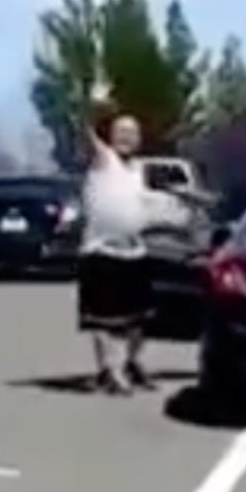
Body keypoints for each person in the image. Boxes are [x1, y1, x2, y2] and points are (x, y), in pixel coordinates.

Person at [78, 111, 155, 394]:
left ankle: (129, 364)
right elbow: (85, 131)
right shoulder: (103, 159)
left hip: (134, 253)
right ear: (109, 136)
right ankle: (112, 371)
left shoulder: (139, 169)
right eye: (120, 131)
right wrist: (92, 104)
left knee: (139, 321)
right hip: (101, 252)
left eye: (132, 132)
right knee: (103, 320)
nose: (126, 137)